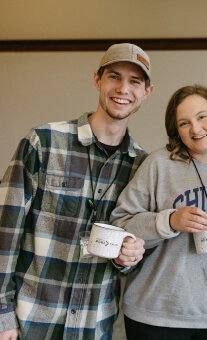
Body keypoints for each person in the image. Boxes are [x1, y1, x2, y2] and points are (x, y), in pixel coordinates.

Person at [0, 43, 153, 339]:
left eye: (135, 81)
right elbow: (5, 231)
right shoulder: (44, 142)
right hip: (30, 320)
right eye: (114, 76)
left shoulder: (142, 167)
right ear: (97, 79)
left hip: (93, 325)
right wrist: (2, 313)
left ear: (147, 91)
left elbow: (133, 255)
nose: (123, 88)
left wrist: (128, 258)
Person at [110, 85, 207, 340]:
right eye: (184, 123)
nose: (196, 129)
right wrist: (170, 221)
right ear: (176, 130)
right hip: (155, 313)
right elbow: (121, 225)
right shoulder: (159, 164)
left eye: (202, 117)